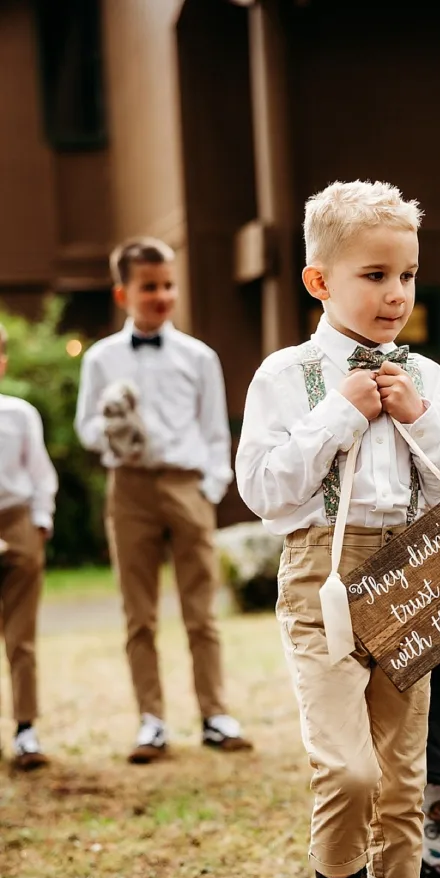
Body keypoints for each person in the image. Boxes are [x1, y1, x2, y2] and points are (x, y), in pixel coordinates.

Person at [237, 180, 440, 878]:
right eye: (374, 275)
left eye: (407, 275)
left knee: (404, 769)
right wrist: (338, 416)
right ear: (320, 281)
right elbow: (264, 490)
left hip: (413, 570)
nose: (395, 294)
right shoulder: (287, 376)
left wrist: (416, 415)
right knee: (347, 766)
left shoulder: (427, 375)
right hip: (323, 573)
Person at [75, 237, 252, 764]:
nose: (161, 296)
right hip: (129, 488)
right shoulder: (101, 359)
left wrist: (209, 487)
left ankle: (215, 715)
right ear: (123, 294)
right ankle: (151, 721)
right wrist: (112, 430)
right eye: (149, 286)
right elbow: (86, 427)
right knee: (139, 614)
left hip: (186, 485)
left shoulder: (199, 357)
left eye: (168, 285)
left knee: (202, 612)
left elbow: (215, 430)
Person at [0, 322, 58, 770]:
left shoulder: (19, 415)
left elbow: (40, 472)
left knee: (21, 637)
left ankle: (26, 729)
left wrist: (39, 522)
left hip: (16, 520)